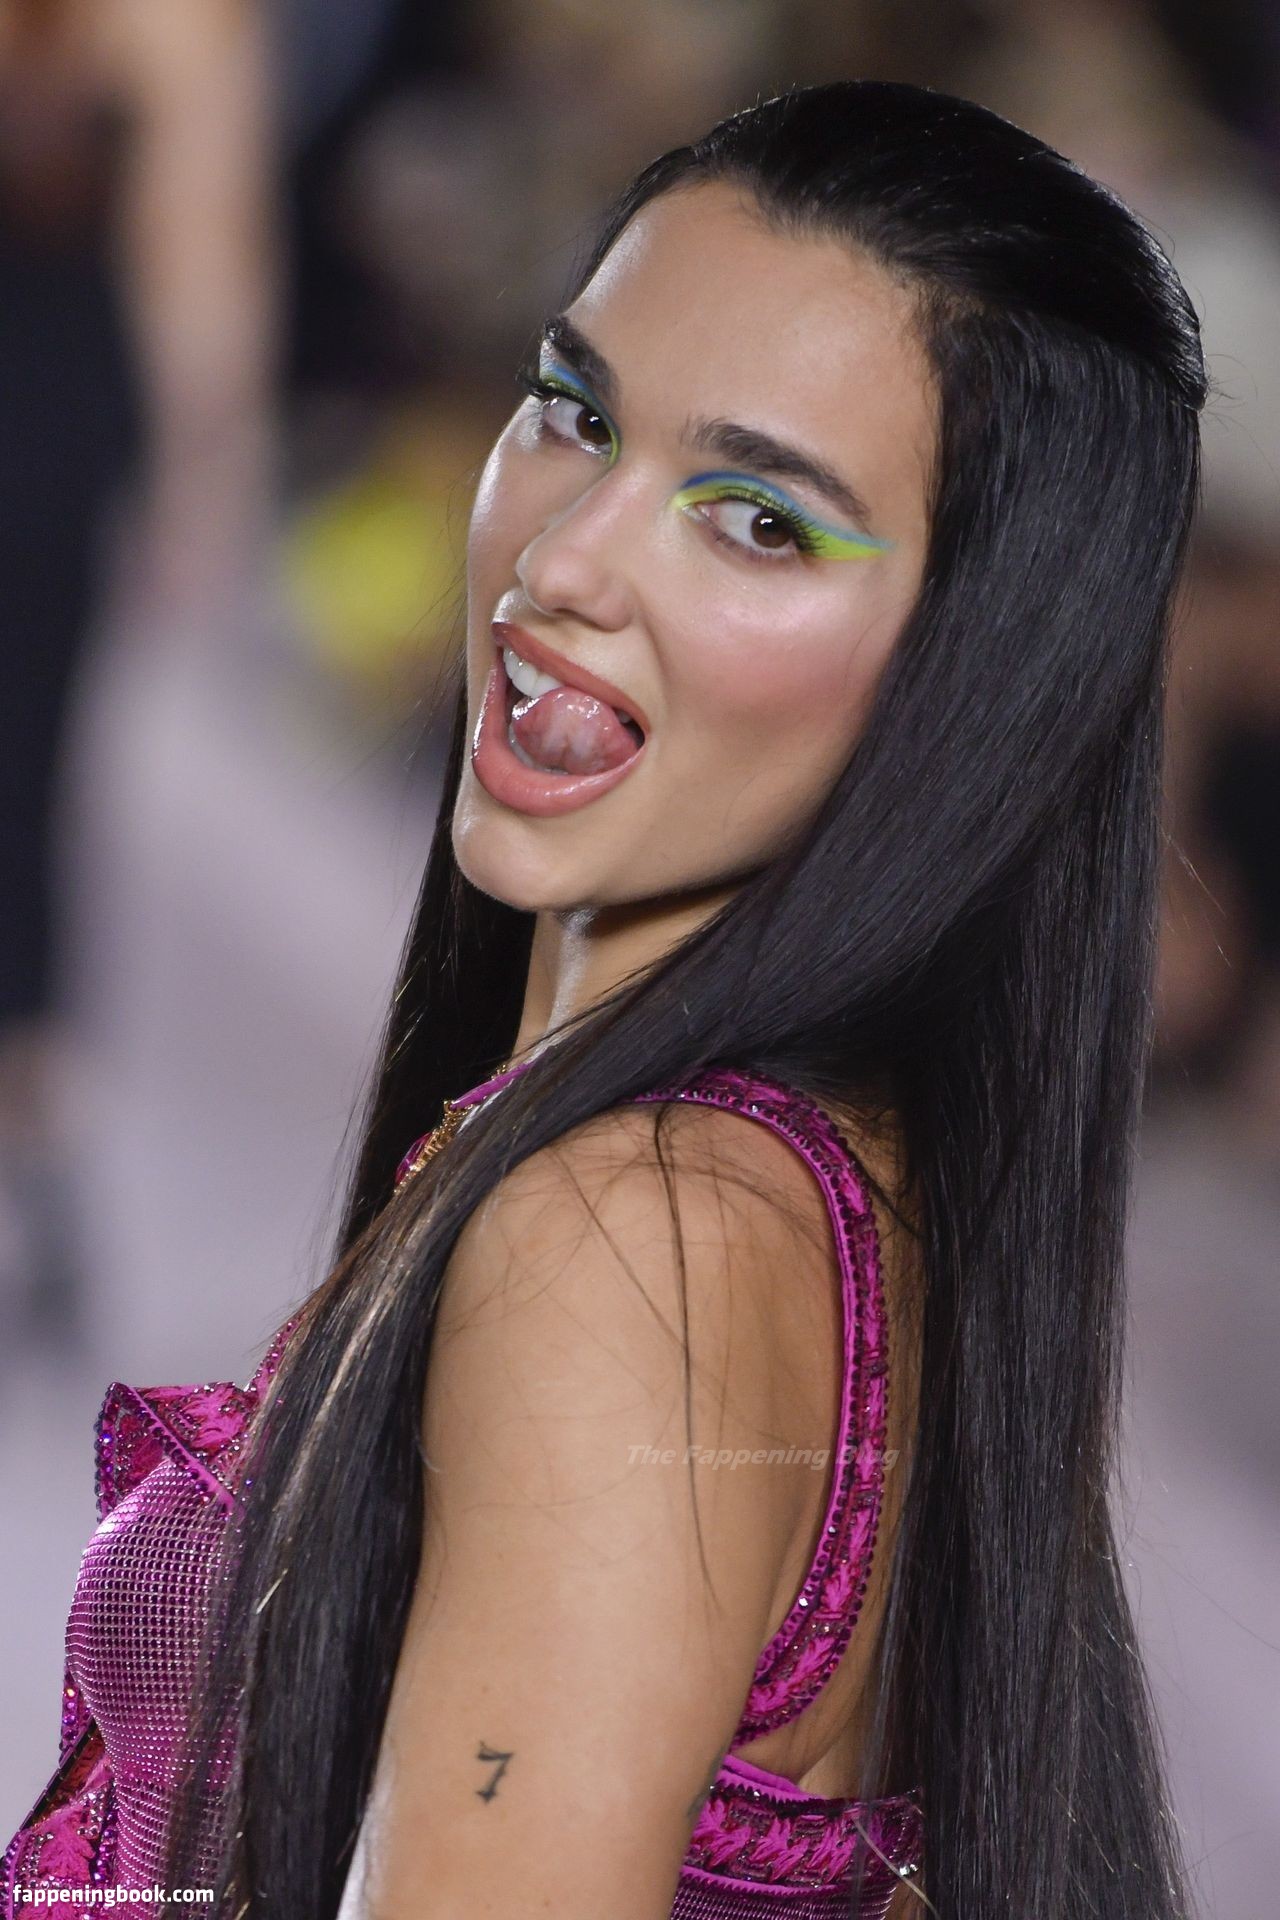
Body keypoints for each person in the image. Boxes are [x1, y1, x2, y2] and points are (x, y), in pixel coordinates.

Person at [1, 79, 1207, 1920]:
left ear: (981, 680)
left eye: (760, 522)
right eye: (574, 413)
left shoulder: (631, 1247)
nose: (562, 559)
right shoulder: (833, 1195)